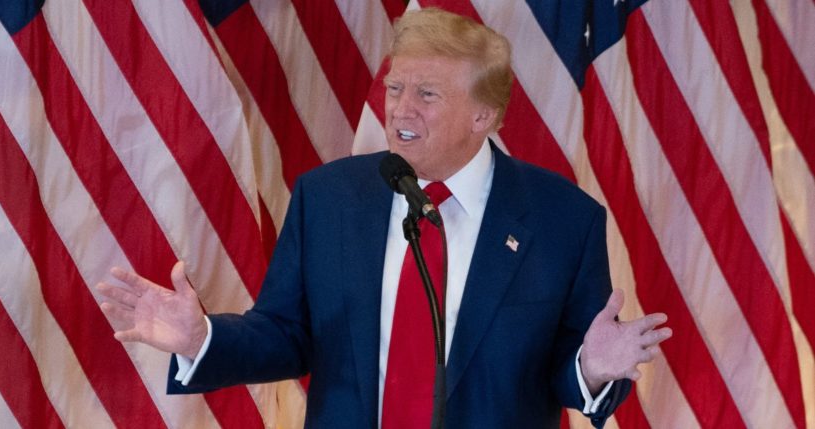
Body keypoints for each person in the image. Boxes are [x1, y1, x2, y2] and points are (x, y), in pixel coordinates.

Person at [97, 8, 671, 429]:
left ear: (484, 116)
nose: (400, 108)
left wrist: (592, 367)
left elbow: (565, 369)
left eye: (426, 93)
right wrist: (204, 338)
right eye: (396, 87)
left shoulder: (563, 219)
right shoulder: (328, 198)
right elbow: (286, 335)